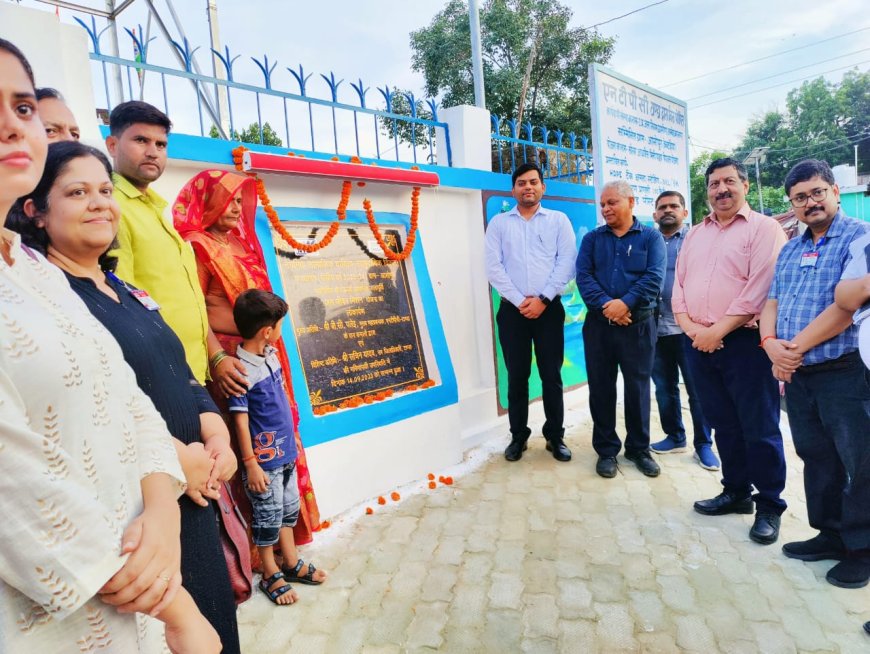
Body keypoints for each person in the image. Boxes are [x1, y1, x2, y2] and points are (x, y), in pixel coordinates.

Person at [0, 37, 218, 653]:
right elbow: (13, 489)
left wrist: (162, 507)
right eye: (77, 192)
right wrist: (177, 609)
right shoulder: (54, 265)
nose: (12, 126)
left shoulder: (31, 271)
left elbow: (126, 396)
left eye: (21, 107)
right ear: (42, 211)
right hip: (66, 602)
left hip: (146, 558)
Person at [172, 168, 320, 547]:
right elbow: (193, 309)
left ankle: (287, 543)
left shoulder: (242, 243)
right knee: (245, 445)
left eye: (240, 200)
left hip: (265, 353)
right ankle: (257, 554)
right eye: (228, 199)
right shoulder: (196, 246)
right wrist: (218, 358)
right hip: (232, 361)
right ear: (207, 202)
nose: (237, 208)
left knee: (279, 434)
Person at [759, 158, 870, 587]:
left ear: (835, 192)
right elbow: (771, 301)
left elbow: (847, 307)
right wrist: (771, 347)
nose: (810, 202)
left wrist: (793, 350)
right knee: (815, 456)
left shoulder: (859, 240)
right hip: (798, 374)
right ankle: (830, 534)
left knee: (860, 462)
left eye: (817, 192)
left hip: (844, 372)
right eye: (800, 197)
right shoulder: (790, 247)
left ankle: (862, 550)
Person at [672, 157, 787, 545]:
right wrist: (691, 329)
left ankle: (769, 503)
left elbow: (760, 287)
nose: (721, 189)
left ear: (745, 186)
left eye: (728, 182)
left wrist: (718, 330)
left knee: (760, 425)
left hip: (744, 343)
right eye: (713, 184)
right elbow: (679, 286)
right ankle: (736, 491)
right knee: (723, 421)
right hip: (698, 342)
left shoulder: (764, 229)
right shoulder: (694, 234)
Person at [105, 101, 247, 395]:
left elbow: (191, 300)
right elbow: (121, 304)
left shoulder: (155, 209)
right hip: (159, 376)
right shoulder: (112, 209)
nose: (152, 151)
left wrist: (216, 355)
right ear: (112, 144)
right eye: (141, 140)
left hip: (192, 371)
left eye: (160, 144)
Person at [228, 290, 328, 605]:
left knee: (287, 511)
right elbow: (241, 423)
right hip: (264, 464)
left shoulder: (270, 355)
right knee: (267, 517)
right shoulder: (241, 371)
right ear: (266, 331)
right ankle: (271, 573)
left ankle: (290, 561)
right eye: (280, 324)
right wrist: (250, 463)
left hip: (285, 455)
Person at [484, 162, 576, 462]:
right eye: (522, 183)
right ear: (513, 189)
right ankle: (518, 437)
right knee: (517, 377)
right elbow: (493, 267)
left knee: (551, 376)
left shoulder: (558, 220)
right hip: (513, 312)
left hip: (549, 310)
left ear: (542, 187)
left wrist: (543, 299)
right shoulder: (499, 224)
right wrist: (520, 300)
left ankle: (555, 437)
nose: (528, 187)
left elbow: (567, 263)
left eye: (533, 182)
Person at [576, 180, 666, 479]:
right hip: (600, 327)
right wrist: (608, 306)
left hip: (638, 326)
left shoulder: (651, 238)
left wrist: (625, 304)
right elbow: (584, 277)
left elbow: (654, 278)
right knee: (601, 388)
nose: (605, 209)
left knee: (638, 388)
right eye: (602, 204)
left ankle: (638, 449)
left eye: (611, 202)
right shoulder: (592, 239)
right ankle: (606, 451)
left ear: (630, 201)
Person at [648, 191, 718, 470]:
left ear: (684, 212)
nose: (668, 211)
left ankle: (704, 444)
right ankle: (675, 435)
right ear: (655, 214)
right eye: (662, 207)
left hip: (689, 329)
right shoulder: (648, 241)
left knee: (698, 389)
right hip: (655, 327)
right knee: (664, 389)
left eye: (674, 206)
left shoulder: (697, 240)